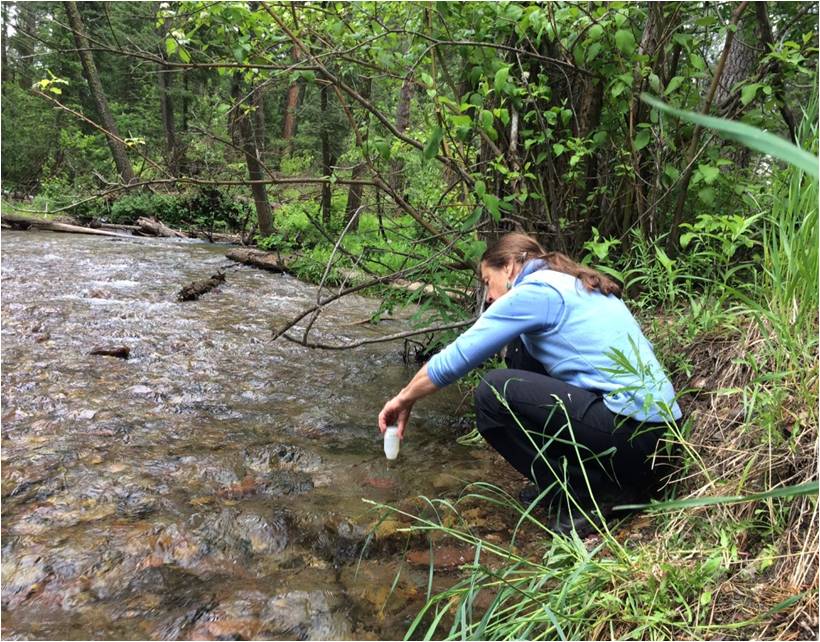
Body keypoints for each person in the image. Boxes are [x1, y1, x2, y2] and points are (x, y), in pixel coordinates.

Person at [377, 232, 682, 535]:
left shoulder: (537, 291)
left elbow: (457, 358)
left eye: (487, 282)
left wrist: (404, 399)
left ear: (509, 267)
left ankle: (591, 495)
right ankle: (572, 483)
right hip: (663, 443)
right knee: (522, 353)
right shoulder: (571, 283)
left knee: (493, 392)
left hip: (635, 439)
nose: (489, 297)